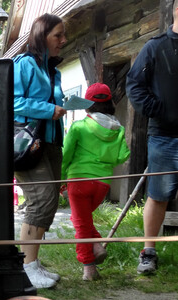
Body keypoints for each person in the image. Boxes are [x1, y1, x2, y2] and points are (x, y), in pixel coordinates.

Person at [13, 13, 67, 289]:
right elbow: (12, 102)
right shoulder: (24, 64)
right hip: (28, 145)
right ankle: (26, 267)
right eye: (58, 35)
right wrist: (49, 109)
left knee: (50, 202)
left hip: (50, 142)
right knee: (41, 200)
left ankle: (33, 263)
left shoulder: (53, 70)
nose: (63, 40)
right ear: (41, 36)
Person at [125, 0, 178, 275]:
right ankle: (149, 252)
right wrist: (157, 110)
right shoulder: (155, 47)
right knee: (158, 196)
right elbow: (134, 85)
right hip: (165, 137)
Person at [61, 83, 130, 281]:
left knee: (81, 224)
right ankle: (97, 245)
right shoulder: (118, 129)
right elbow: (122, 156)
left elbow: (66, 154)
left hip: (78, 180)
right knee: (81, 220)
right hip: (102, 184)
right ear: (110, 104)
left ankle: (88, 267)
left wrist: (60, 178)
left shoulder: (79, 126)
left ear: (87, 105)